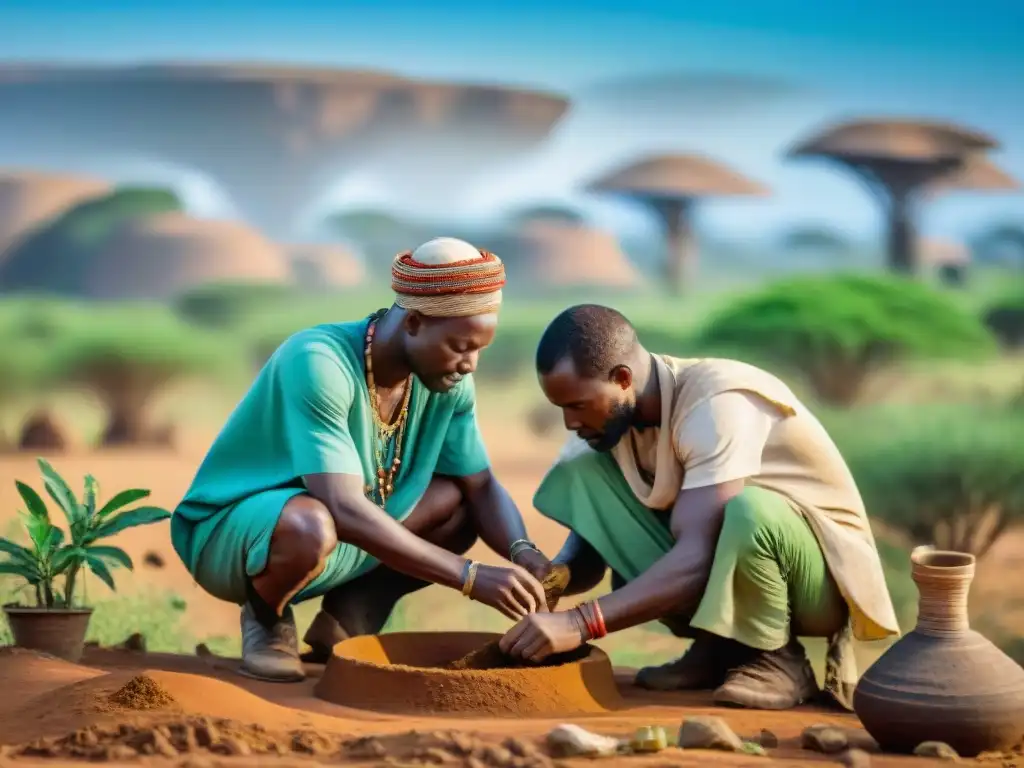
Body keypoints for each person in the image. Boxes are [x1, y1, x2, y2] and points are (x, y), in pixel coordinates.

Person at [171, 237, 556, 682]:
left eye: (479, 349)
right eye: (461, 346)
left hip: (348, 531)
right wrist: (469, 576)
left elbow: (481, 486)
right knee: (310, 523)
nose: (470, 364)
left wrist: (523, 553)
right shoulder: (319, 362)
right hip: (239, 537)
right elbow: (339, 505)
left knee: (459, 503)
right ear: (413, 322)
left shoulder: (445, 383)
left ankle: (348, 617)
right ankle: (266, 617)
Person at [498, 304, 900, 711]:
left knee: (747, 512)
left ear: (622, 379)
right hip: (731, 564)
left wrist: (579, 624)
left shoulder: (716, 401)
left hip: (819, 581)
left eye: (579, 405)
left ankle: (776, 658)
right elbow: (599, 536)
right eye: (562, 408)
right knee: (581, 465)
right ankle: (720, 649)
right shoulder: (611, 425)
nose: (569, 422)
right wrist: (559, 574)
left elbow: (699, 556)